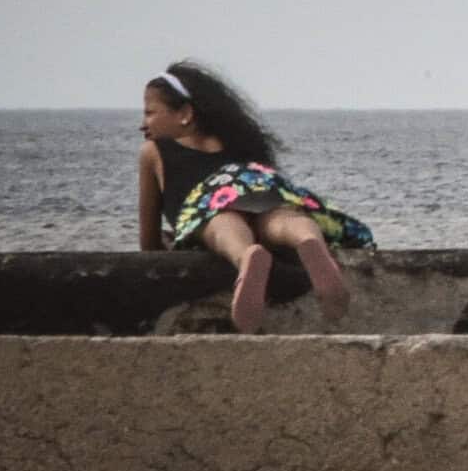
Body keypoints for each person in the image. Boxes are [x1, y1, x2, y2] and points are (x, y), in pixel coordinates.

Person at [137, 62, 374, 333]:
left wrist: (166, 243)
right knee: (279, 217)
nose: (143, 124)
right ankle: (307, 240)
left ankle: (246, 257)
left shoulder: (154, 151)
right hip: (253, 181)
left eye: (149, 113)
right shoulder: (238, 142)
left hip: (207, 199)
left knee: (220, 225)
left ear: (185, 114)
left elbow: (148, 242)